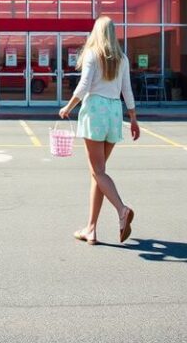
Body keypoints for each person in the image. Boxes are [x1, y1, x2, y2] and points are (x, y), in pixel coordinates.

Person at [59, 16, 140, 245]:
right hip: (114, 113)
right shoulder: (122, 58)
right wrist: (133, 119)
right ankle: (91, 229)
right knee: (98, 173)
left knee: (97, 172)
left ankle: (122, 209)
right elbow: (127, 91)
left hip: (95, 111)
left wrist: (68, 107)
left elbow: (84, 85)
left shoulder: (92, 54)